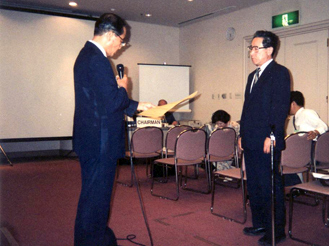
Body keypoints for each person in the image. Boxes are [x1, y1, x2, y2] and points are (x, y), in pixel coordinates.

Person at [73, 13, 154, 246]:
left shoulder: (88, 55)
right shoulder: (97, 60)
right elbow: (112, 102)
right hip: (100, 143)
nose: (121, 46)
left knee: (95, 198)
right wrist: (124, 89)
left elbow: (104, 99)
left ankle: (99, 237)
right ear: (110, 35)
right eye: (122, 40)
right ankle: (92, 241)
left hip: (94, 140)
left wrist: (138, 106)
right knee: (95, 199)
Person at [239, 30, 290, 245]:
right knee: (255, 186)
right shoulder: (253, 76)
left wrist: (273, 135)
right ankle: (260, 222)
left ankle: (276, 231)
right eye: (251, 48)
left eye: (255, 48)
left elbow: (280, 108)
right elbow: (247, 109)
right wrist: (241, 134)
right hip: (250, 139)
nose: (251, 52)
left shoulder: (279, 73)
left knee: (270, 186)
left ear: (269, 50)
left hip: (267, 140)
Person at [285, 90, 328, 186]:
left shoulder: (306, 113)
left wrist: (316, 132)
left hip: (310, 153)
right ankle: (297, 184)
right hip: (302, 153)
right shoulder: (296, 117)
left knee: (280, 157)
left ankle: (296, 184)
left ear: (293, 104)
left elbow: (324, 126)